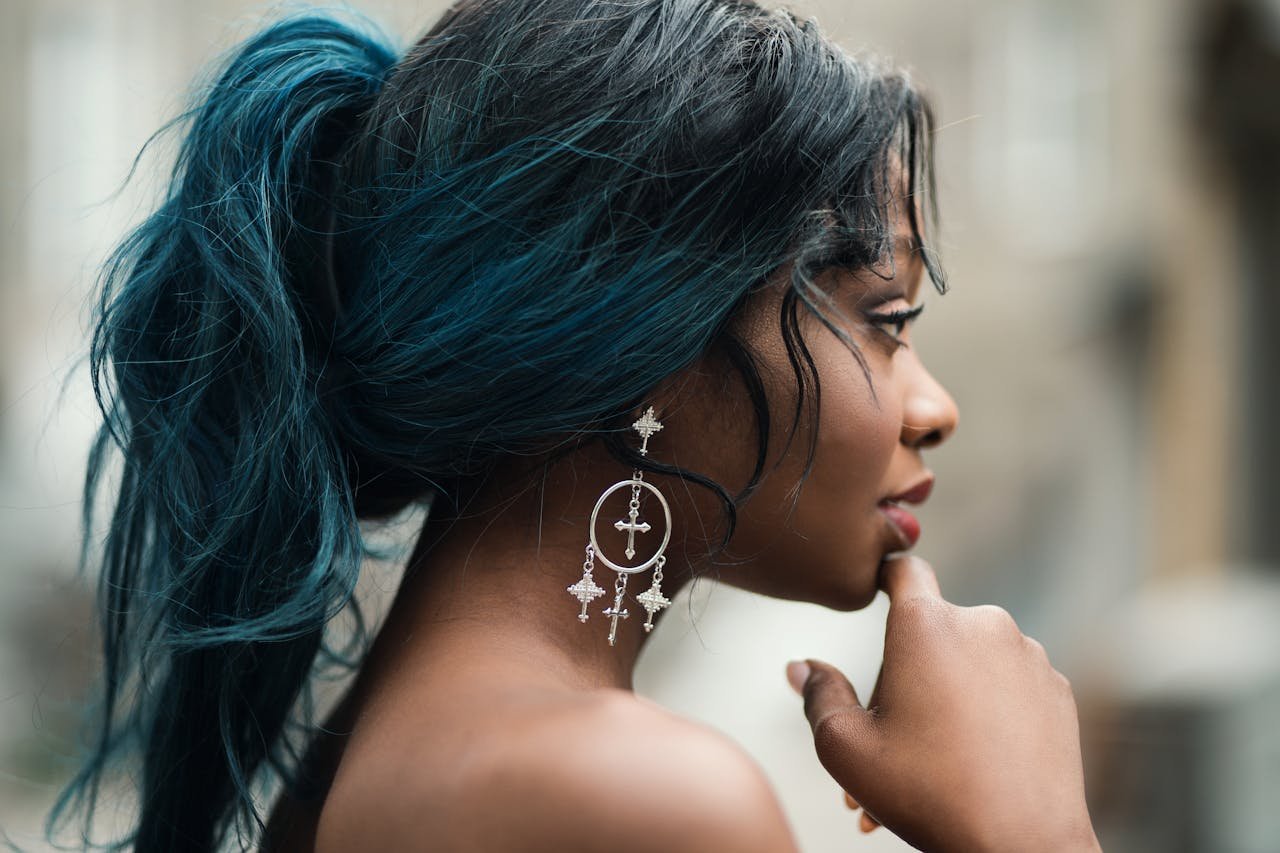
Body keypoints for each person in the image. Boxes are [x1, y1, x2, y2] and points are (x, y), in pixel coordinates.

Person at [48, 0, 1101, 850]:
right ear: (652, 336)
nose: (935, 408)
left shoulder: (383, 756)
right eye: (886, 322)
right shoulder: (625, 796)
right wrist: (1027, 827)